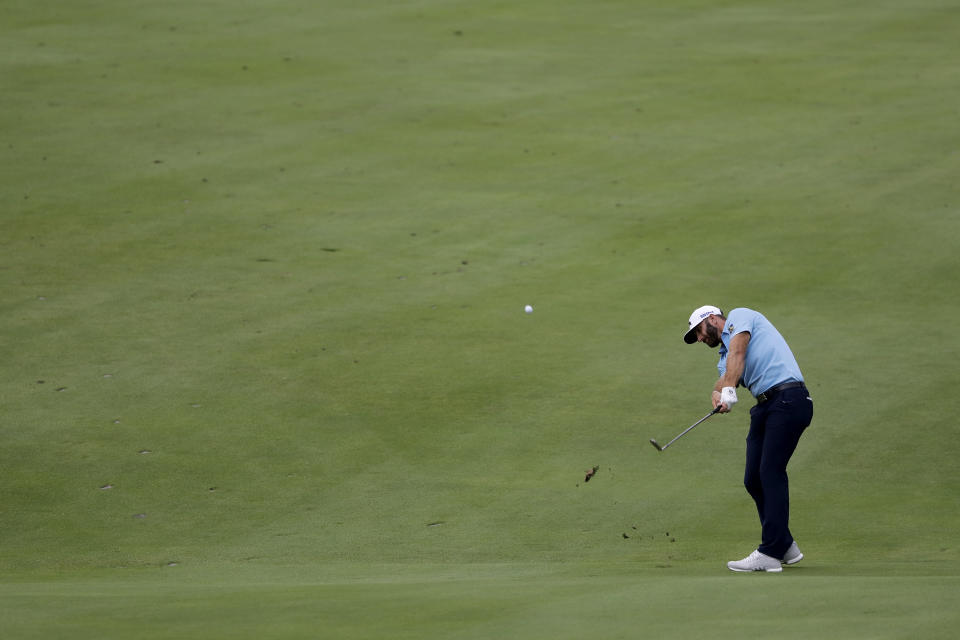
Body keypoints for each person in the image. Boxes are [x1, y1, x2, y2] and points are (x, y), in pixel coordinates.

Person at [683, 305, 813, 572]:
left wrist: (730, 385)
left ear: (712, 319)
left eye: (698, 331)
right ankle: (785, 545)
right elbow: (726, 375)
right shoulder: (723, 355)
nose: (699, 338)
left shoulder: (740, 317)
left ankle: (770, 552)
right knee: (753, 478)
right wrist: (718, 394)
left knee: (770, 472)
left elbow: (739, 350)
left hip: (789, 399)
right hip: (766, 407)